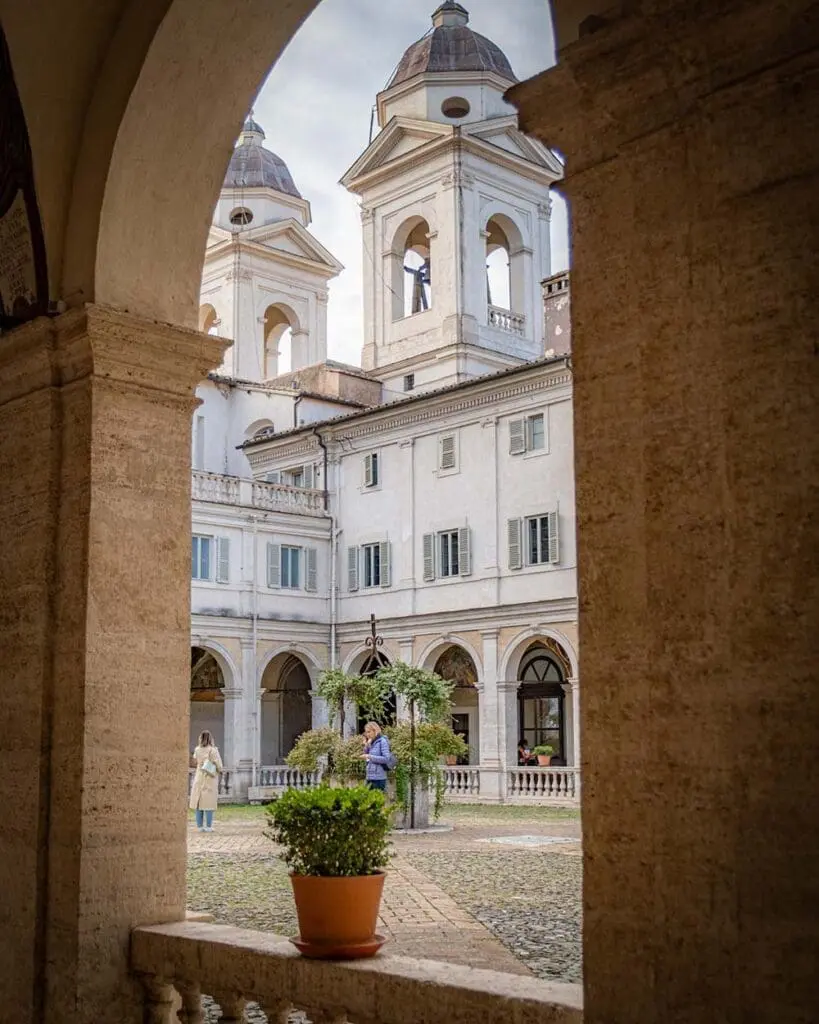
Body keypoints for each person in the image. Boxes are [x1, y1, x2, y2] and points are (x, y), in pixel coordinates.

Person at [189, 730, 223, 832]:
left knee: (198, 803)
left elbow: (195, 761)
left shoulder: (197, 749)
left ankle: (199, 827)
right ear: (210, 739)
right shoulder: (213, 750)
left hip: (199, 776)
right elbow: (219, 765)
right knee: (209, 803)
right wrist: (219, 770)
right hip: (209, 777)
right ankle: (208, 826)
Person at [361, 721, 392, 792]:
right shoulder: (371, 742)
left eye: (369, 732)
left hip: (379, 778)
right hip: (369, 776)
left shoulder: (382, 741)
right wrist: (366, 745)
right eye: (366, 732)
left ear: (375, 731)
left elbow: (386, 759)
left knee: (378, 801)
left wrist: (369, 756)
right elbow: (365, 754)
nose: (367, 734)